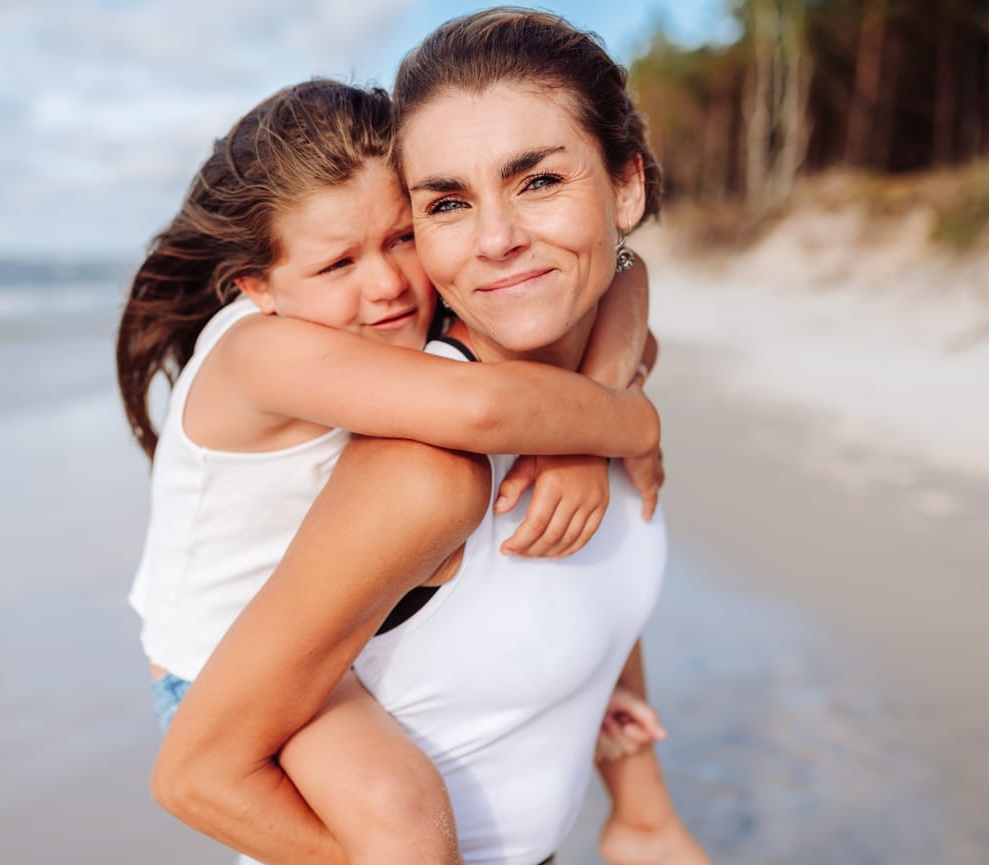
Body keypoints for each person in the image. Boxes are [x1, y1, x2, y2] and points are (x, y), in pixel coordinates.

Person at [152, 10, 713, 865]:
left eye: (538, 181)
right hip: (207, 660)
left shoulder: (588, 363)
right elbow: (482, 410)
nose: (494, 239)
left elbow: (628, 284)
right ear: (261, 285)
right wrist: (622, 423)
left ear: (626, 186)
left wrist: (641, 808)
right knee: (399, 809)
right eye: (448, 203)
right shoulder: (408, 448)